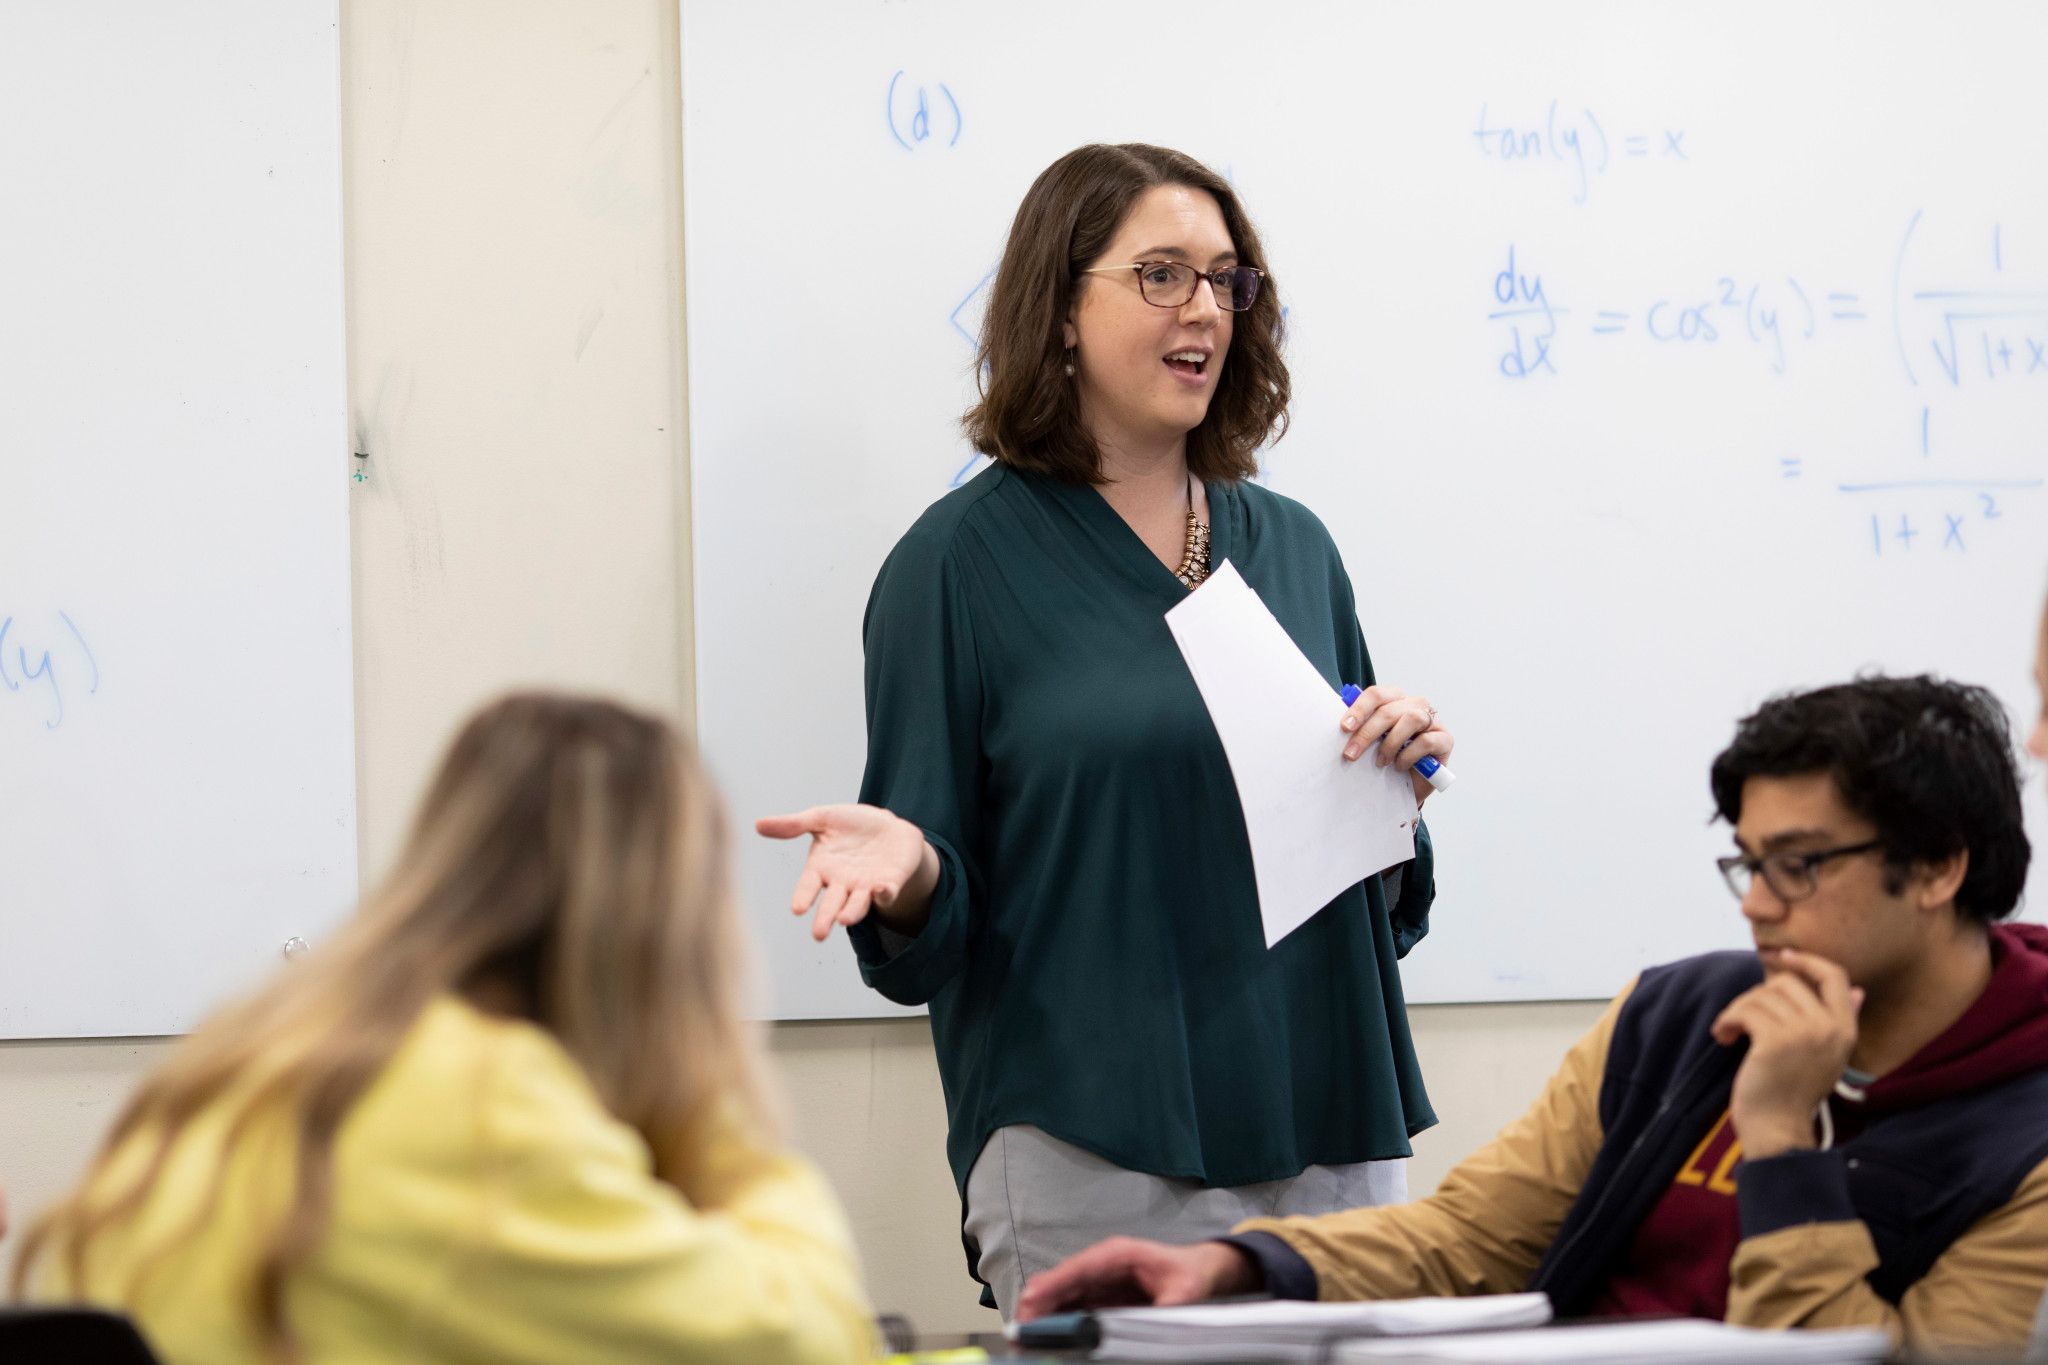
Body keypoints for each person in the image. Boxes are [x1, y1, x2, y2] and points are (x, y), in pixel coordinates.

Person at [756, 142, 1454, 1316]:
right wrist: (918, 872)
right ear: (1061, 312)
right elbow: (931, 927)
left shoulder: (1294, 548)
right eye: (1161, 276)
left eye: (1226, 281)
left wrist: (1395, 792)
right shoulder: (952, 568)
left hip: (1328, 1117)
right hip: (1093, 1138)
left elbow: (1365, 886)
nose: (1205, 311)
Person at [1020, 674, 2048, 1353]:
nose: (1754, 902)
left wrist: (1778, 1143)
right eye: (1746, 860)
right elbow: (1476, 1237)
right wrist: (1230, 1263)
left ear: (1938, 868)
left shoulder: (2026, 1141)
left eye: (1799, 865)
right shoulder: (1681, 1013)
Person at [17, 694, 873, 1365]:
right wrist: (709, 1099)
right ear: (661, 929)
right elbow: (809, 1339)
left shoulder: (266, 1051)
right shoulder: (477, 1101)